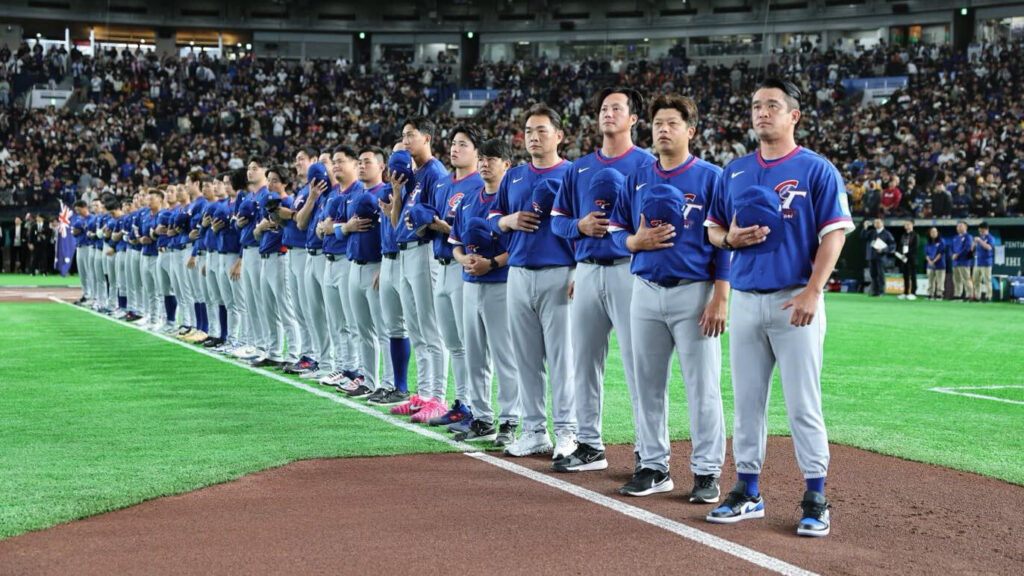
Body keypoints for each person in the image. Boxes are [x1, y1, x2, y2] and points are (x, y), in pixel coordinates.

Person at [705, 78, 855, 537]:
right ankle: (748, 490)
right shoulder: (733, 171)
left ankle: (816, 497)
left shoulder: (817, 169)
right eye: (755, 105)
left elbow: (835, 233)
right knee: (747, 404)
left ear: (794, 116)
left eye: (773, 105)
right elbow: (713, 231)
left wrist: (814, 290)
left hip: (796, 299)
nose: (761, 112)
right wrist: (728, 239)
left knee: (803, 404)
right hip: (747, 299)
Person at [608, 93, 729, 503]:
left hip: (695, 292)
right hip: (645, 289)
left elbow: (724, 243)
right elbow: (614, 229)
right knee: (647, 386)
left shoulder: (712, 177)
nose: (663, 129)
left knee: (704, 387)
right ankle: (654, 466)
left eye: (673, 123)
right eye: (658, 122)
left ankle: (707, 471)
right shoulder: (638, 177)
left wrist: (721, 296)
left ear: (691, 130)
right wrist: (633, 241)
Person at [550, 86, 655, 473]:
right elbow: (557, 222)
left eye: (617, 108)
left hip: (631, 268)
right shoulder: (577, 169)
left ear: (633, 119)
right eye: (603, 109)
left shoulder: (648, 165)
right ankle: (590, 444)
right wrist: (579, 225)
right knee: (584, 363)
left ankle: (649, 451)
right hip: (589, 270)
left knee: (639, 364)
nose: (608, 114)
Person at [490, 104, 577, 460]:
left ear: (559, 135)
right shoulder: (514, 176)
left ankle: (569, 431)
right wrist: (510, 219)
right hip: (519, 273)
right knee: (525, 358)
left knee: (563, 359)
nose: (533, 137)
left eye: (541, 130)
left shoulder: (574, 173)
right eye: (528, 131)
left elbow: (584, 224)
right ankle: (534, 431)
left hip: (560, 272)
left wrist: (579, 272)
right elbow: (494, 219)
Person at [447, 138, 520, 445]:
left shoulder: (514, 199)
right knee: (474, 354)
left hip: (501, 283)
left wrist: (491, 263)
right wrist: (466, 261)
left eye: (494, 158)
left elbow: (519, 246)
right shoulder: (468, 200)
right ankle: (481, 418)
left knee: (505, 355)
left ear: (507, 164)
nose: (486, 163)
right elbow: (456, 244)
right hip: (470, 283)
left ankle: (509, 421)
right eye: (484, 158)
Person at [382, 117, 450, 423]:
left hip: (424, 253)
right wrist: (397, 192)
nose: (405, 141)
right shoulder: (414, 175)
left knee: (431, 329)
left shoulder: (435, 172)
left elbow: (440, 221)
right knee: (418, 330)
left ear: (426, 137)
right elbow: (397, 223)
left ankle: (438, 397)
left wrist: (425, 225)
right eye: (403, 136)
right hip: (406, 253)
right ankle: (424, 394)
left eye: (410, 136)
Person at [423, 124, 486, 429]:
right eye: (453, 143)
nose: (455, 148)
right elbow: (434, 223)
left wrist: (444, 227)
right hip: (440, 266)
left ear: (477, 151)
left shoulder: (479, 184)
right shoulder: (442, 184)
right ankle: (462, 403)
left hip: (464, 268)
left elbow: (470, 228)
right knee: (453, 343)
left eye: (463, 143)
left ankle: (478, 407)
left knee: (470, 343)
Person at [862, 218, 894, 297]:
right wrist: (865, 227)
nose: (876, 224)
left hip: (881, 257)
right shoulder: (872, 232)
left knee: (880, 274)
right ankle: (874, 291)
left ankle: (881, 291)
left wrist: (883, 250)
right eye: (875, 222)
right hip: (872, 256)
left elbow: (892, 245)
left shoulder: (887, 233)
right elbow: (863, 236)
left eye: (878, 222)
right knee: (873, 274)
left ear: (882, 223)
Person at [950, 220, 973, 301]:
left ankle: (969, 295)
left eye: (961, 226)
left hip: (964, 261)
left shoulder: (968, 237)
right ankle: (957, 294)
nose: (959, 227)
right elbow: (951, 248)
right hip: (955, 262)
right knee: (956, 279)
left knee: (966, 278)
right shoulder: (955, 237)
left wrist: (958, 254)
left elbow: (967, 248)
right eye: (958, 226)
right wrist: (952, 254)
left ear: (965, 227)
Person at [972, 221, 995, 302]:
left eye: (982, 230)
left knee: (987, 280)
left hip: (986, 263)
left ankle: (988, 296)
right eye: (980, 231)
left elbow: (989, 247)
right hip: (977, 262)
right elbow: (972, 249)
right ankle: (977, 297)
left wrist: (980, 241)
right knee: (975, 280)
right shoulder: (979, 237)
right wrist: (974, 243)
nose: (981, 232)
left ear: (986, 229)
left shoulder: (990, 238)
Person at [897, 220, 918, 300]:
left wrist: (907, 254)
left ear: (912, 225)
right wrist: (901, 254)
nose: (906, 225)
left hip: (912, 259)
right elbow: (900, 246)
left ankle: (913, 292)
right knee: (905, 276)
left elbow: (915, 247)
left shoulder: (915, 235)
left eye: (908, 224)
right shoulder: (903, 235)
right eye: (905, 224)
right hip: (904, 259)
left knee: (913, 276)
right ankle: (905, 292)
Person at [924, 227, 946, 300]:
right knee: (930, 280)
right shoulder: (928, 242)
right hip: (929, 265)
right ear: (930, 234)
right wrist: (930, 261)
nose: (934, 233)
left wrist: (934, 261)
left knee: (940, 280)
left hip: (940, 264)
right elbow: (926, 254)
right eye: (932, 232)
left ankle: (939, 294)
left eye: (935, 232)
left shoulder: (941, 241)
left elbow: (941, 253)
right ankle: (930, 294)